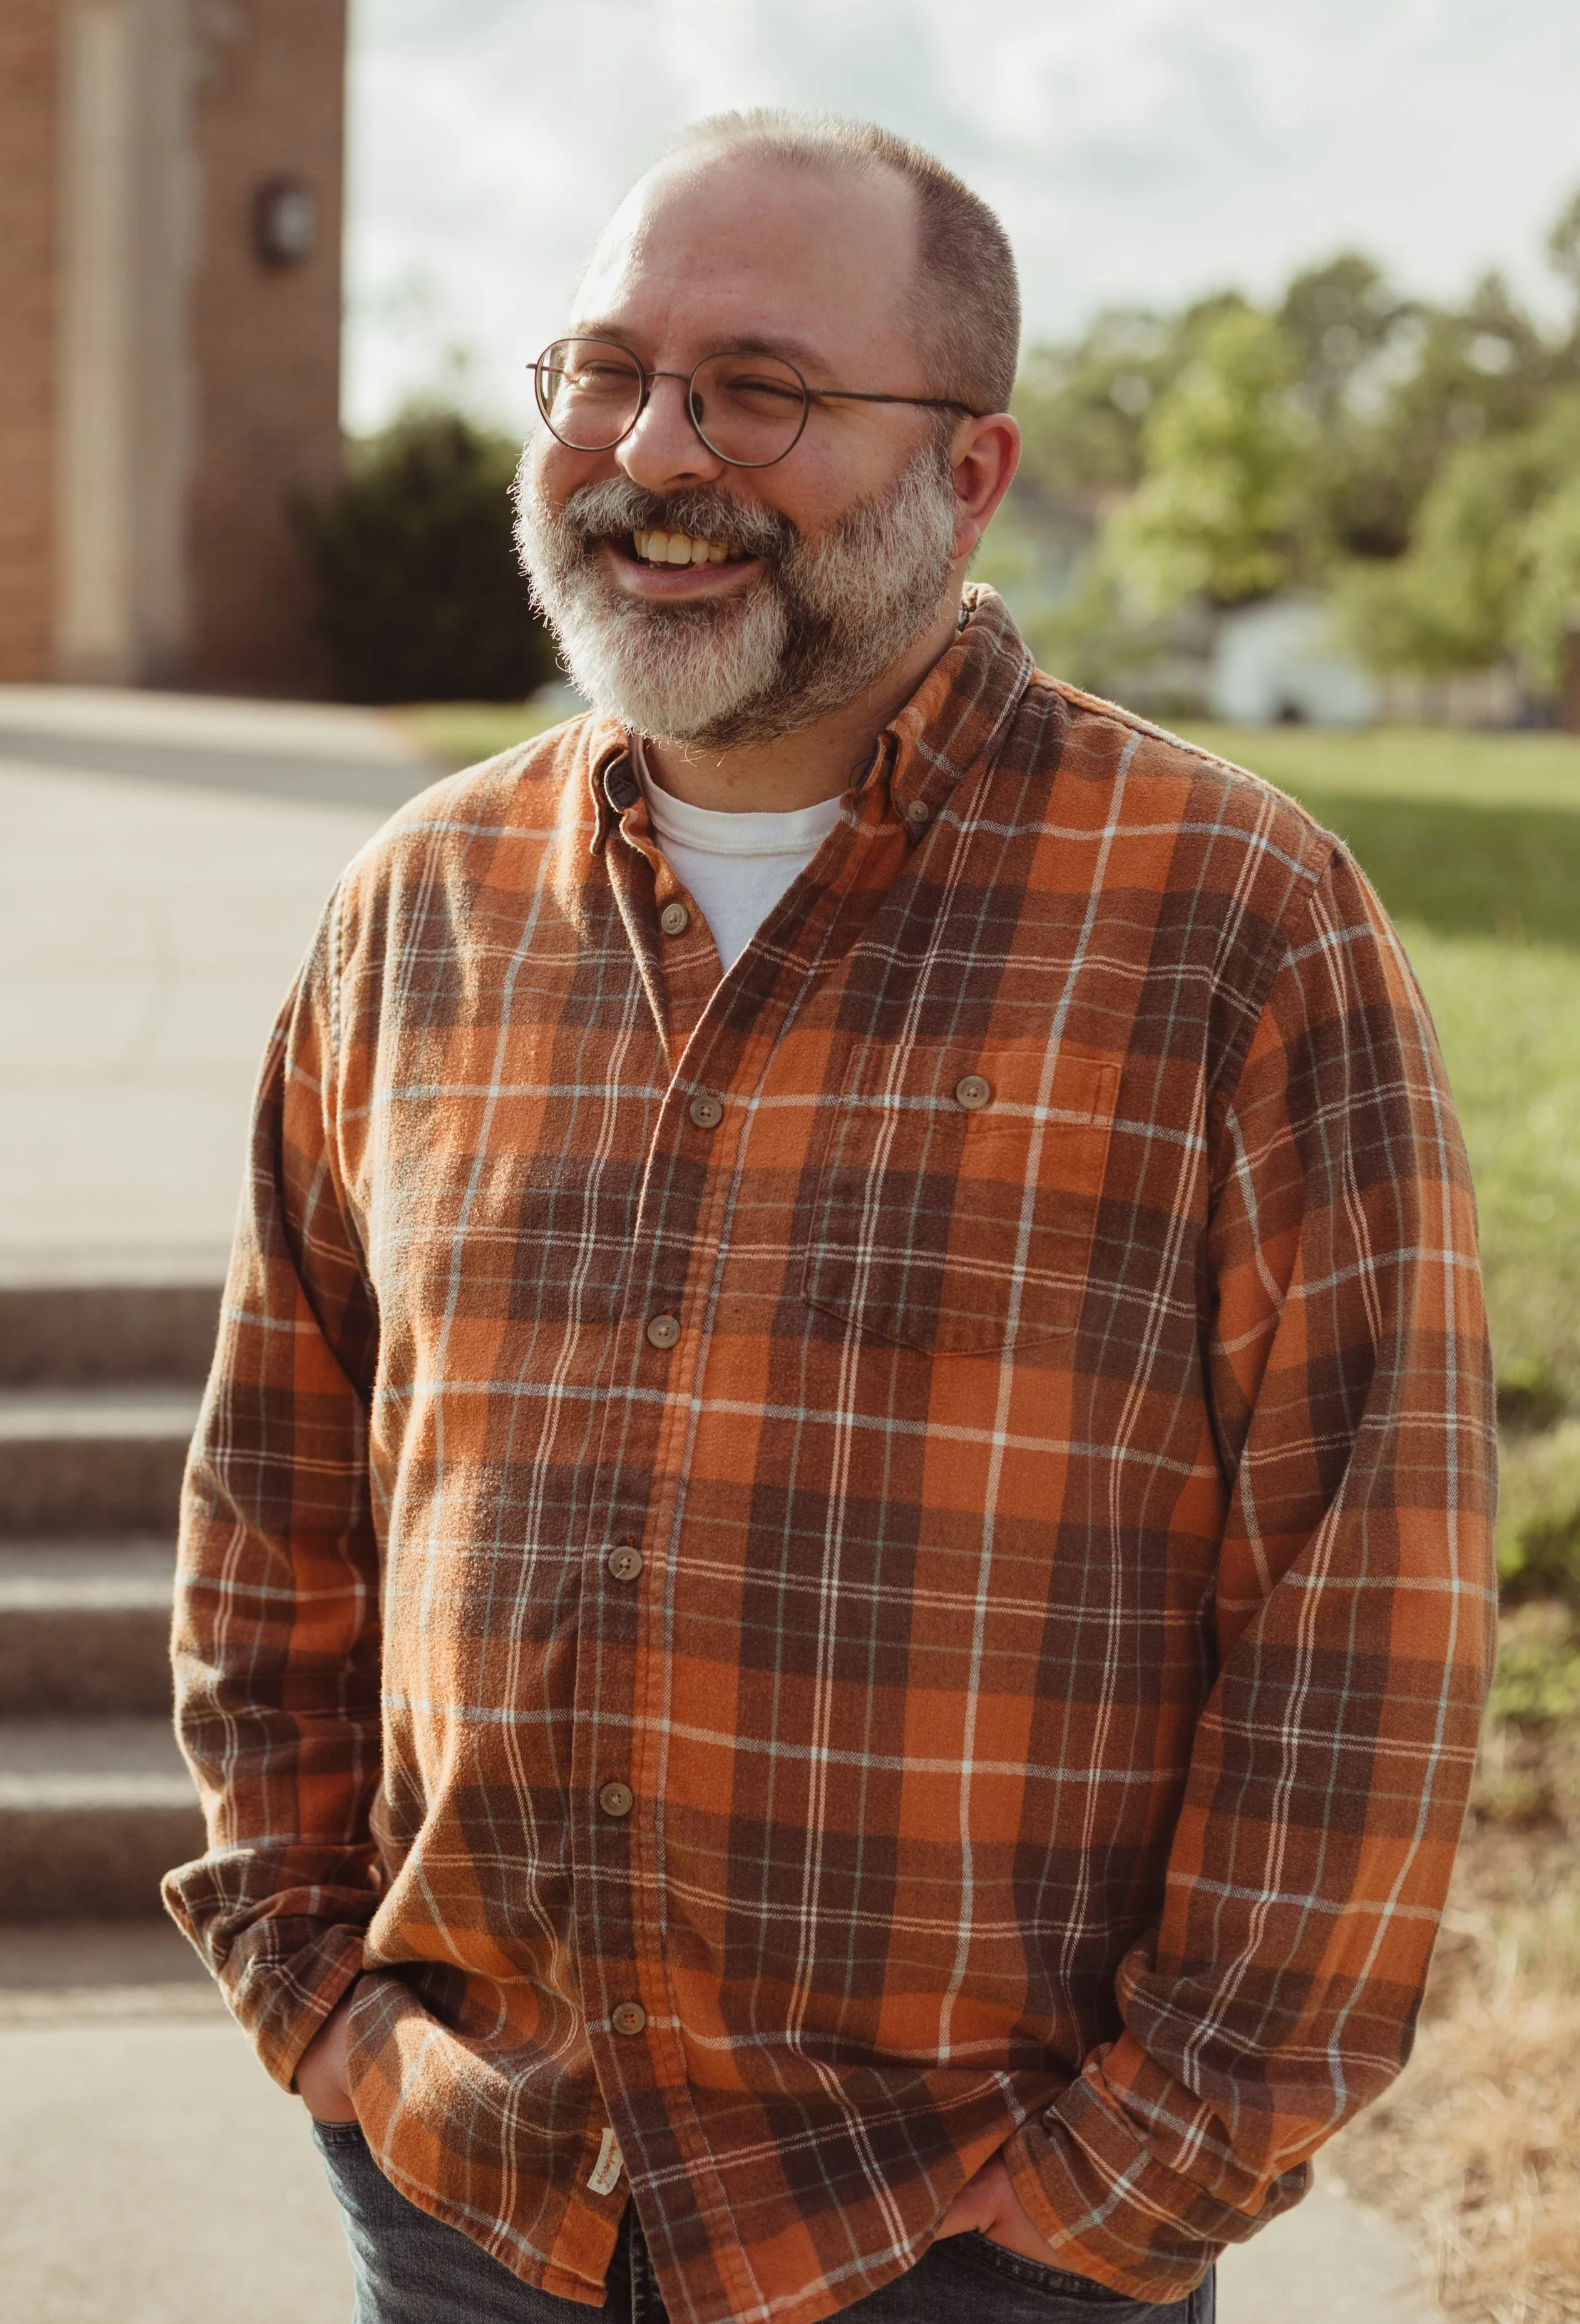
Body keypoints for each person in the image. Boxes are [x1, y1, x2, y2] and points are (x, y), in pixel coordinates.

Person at [165, 111, 1494, 2324]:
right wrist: (326, 2004)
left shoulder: (1232, 920)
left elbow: (1367, 1600)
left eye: (754, 387)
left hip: (971, 2230)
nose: (652, 449)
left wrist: (1138, 2172)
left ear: (966, 476)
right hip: (471, 2191)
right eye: (603, 370)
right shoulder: (420, 903)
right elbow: (276, 1495)